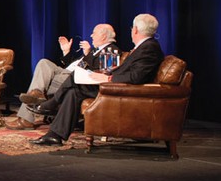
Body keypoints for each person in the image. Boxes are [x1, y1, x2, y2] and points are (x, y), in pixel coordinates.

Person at [29, 13, 165, 146]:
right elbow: (79, 65)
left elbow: (136, 76)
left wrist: (108, 77)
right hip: (111, 84)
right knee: (72, 90)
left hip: (118, 89)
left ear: (135, 30)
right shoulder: (141, 47)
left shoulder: (133, 49)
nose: (91, 35)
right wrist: (71, 54)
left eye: (94, 32)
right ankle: (54, 135)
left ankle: (50, 105)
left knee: (74, 79)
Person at [6, 24, 119, 130]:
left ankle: (26, 118)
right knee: (43, 63)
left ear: (104, 36)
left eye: (94, 33)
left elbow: (105, 73)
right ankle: (37, 92)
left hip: (77, 80)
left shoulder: (110, 50)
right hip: (67, 74)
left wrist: (87, 61)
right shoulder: (95, 51)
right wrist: (67, 52)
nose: (91, 36)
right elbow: (74, 66)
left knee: (41, 81)